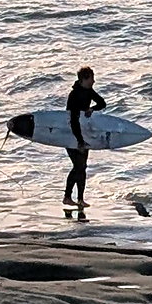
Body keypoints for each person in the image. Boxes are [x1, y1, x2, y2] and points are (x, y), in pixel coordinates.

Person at [62, 63, 107, 211]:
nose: (93, 81)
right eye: (91, 79)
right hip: (71, 135)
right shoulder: (74, 95)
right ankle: (68, 197)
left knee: (83, 167)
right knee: (78, 166)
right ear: (83, 79)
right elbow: (73, 120)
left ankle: (80, 199)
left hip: (83, 133)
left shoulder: (89, 92)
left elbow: (102, 103)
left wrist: (91, 109)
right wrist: (79, 141)